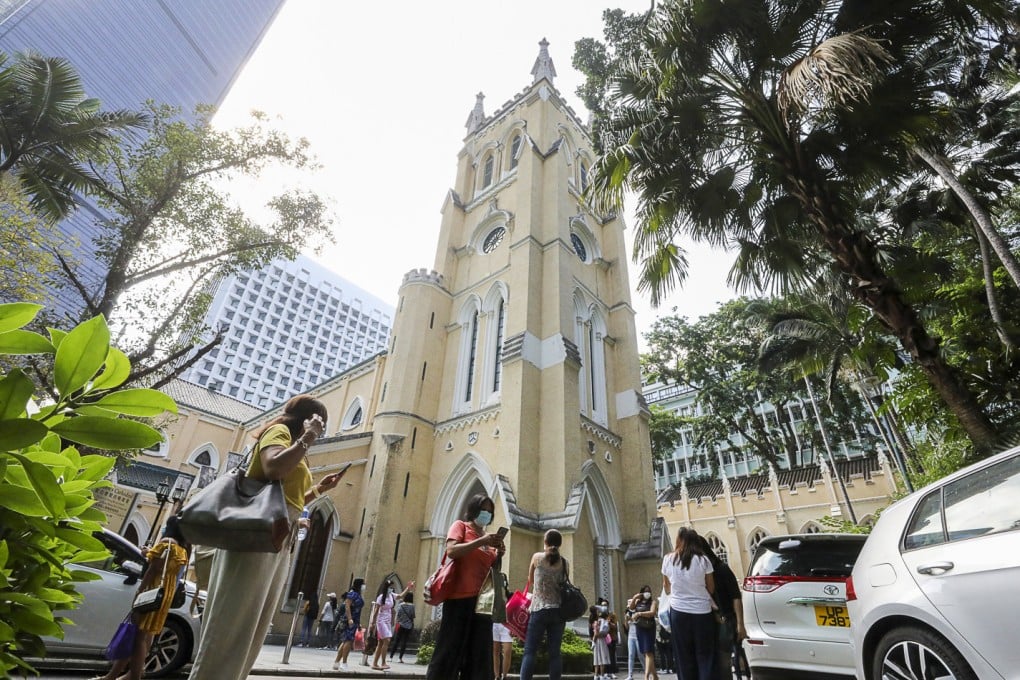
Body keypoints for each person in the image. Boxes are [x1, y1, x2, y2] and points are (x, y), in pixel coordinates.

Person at [187, 396, 347, 680]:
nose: (321, 430)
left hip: (277, 541)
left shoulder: (296, 446)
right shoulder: (281, 433)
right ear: (307, 417)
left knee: (253, 627)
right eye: (319, 422)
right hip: (254, 538)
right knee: (232, 624)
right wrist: (308, 437)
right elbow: (273, 467)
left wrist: (320, 489)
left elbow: (285, 498)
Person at [96, 515, 190, 680]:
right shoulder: (184, 548)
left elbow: (154, 569)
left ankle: (134, 676)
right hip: (165, 594)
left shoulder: (167, 542)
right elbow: (166, 566)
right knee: (146, 635)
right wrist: (149, 554)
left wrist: (140, 591)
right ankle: (119, 675)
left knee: (139, 636)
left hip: (151, 591)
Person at [425, 493, 505, 680]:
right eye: (483, 509)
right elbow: (451, 551)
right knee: (449, 650)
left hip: (482, 604)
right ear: (474, 510)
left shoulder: (489, 538)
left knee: (479, 656)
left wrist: (499, 554)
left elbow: (491, 571)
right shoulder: (460, 526)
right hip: (458, 599)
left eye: (489, 511)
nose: (486, 513)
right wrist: (480, 542)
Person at [662, 527, 716, 680]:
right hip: (702, 613)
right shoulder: (703, 560)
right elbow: (710, 588)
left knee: (683, 657)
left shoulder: (668, 559)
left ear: (679, 541)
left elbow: (667, 588)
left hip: (678, 612)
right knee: (705, 656)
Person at [518, 529, 567, 680]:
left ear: (545, 542)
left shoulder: (537, 558)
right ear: (559, 544)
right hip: (558, 612)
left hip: (538, 609)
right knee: (554, 653)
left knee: (530, 651)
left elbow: (531, 580)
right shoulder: (564, 563)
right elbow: (564, 584)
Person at [696, 536, 745, 680]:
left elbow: (735, 596)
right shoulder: (700, 573)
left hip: (726, 620)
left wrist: (740, 625)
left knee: (724, 663)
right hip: (710, 621)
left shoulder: (721, 569)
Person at [369, 577, 414, 670]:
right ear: (387, 587)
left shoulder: (391, 596)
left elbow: (400, 596)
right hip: (381, 621)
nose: (392, 589)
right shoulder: (381, 597)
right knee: (387, 640)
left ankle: (375, 663)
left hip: (388, 621)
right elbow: (376, 610)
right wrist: (373, 623)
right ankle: (383, 662)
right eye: (390, 587)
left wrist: (408, 588)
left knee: (381, 643)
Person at [333, 578, 367, 671]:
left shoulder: (358, 595)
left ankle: (336, 662)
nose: (364, 586)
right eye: (363, 584)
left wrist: (358, 622)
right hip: (349, 621)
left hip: (354, 621)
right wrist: (350, 619)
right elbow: (347, 607)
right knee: (348, 641)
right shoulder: (352, 594)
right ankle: (344, 663)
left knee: (345, 642)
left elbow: (358, 611)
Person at [628, 586, 658, 680]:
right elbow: (631, 608)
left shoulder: (653, 602)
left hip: (649, 628)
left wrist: (640, 614)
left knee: (648, 651)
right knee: (646, 653)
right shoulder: (638, 602)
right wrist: (635, 598)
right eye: (645, 591)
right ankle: (655, 676)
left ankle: (646, 676)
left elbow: (652, 612)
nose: (647, 593)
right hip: (640, 628)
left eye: (649, 591)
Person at [390, 592, 416, 663]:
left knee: (396, 641)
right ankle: (400, 658)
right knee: (404, 642)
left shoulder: (400, 605)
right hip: (408, 626)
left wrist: (397, 622)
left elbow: (398, 615)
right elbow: (413, 616)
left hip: (400, 625)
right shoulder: (412, 606)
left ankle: (391, 657)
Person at [592, 604, 612, 680]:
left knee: (597, 658)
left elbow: (595, 633)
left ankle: (596, 675)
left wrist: (594, 638)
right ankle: (602, 675)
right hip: (601, 641)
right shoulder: (604, 622)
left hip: (596, 641)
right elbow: (604, 632)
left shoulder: (596, 621)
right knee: (602, 658)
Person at [624, 604, 640, 680]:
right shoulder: (628, 614)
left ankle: (647, 671)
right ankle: (630, 675)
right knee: (630, 655)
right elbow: (627, 627)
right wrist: (626, 620)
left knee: (641, 655)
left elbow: (639, 624)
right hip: (630, 636)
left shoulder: (638, 613)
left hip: (638, 636)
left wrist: (631, 619)